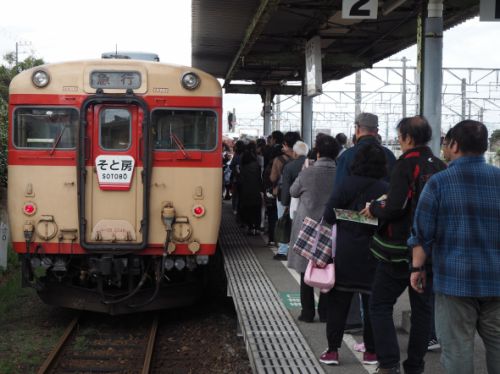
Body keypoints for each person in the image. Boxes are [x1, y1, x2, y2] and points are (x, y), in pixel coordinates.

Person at [408, 120, 500, 374]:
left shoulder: (439, 183)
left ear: (455, 145)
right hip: (496, 280)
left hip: (454, 281)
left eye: (447, 143)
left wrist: (417, 269)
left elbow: (422, 233)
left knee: (457, 349)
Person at [361, 116, 447, 374]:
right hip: (430, 250)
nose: (398, 140)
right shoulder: (441, 165)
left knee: (379, 305)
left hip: (400, 251)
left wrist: (375, 207)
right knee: (422, 311)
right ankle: (414, 366)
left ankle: (388, 365)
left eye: (399, 135)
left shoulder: (406, 164)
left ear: (408, 137)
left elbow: (395, 206)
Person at [319, 143, 389, 366]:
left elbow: (328, 216)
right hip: (375, 253)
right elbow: (389, 221)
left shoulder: (345, 184)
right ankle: (371, 352)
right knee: (372, 306)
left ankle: (332, 351)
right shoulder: (385, 188)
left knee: (338, 304)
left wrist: (349, 216)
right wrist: (369, 217)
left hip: (345, 253)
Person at [331, 112, 397, 332]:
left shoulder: (347, 156)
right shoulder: (389, 155)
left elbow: (338, 195)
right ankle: (373, 336)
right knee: (374, 285)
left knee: (344, 284)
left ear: (357, 128)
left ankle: (350, 323)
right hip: (381, 231)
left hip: (349, 231)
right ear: (377, 131)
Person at [287, 135, 339, 323]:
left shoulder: (308, 173)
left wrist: (303, 172)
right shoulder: (340, 173)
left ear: (317, 153)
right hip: (331, 226)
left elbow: (293, 191)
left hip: (307, 225)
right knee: (327, 267)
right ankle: (325, 312)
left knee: (305, 269)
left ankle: (307, 312)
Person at [270, 131, 301, 260]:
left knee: (283, 222)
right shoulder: (301, 159)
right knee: (297, 222)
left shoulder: (279, 159)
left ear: (285, 144)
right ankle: (296, 251)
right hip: (299, 195)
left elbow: (273, 178)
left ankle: (283, 251)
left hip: (283, 194)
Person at [238, 142, 263, 235]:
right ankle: (256, 227)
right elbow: (259, 178)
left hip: (246, 190)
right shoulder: (257, 166)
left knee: (247, 209)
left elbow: (241, 179)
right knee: (256, 210)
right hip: (256, 190)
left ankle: (249, 226)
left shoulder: (243, 167)